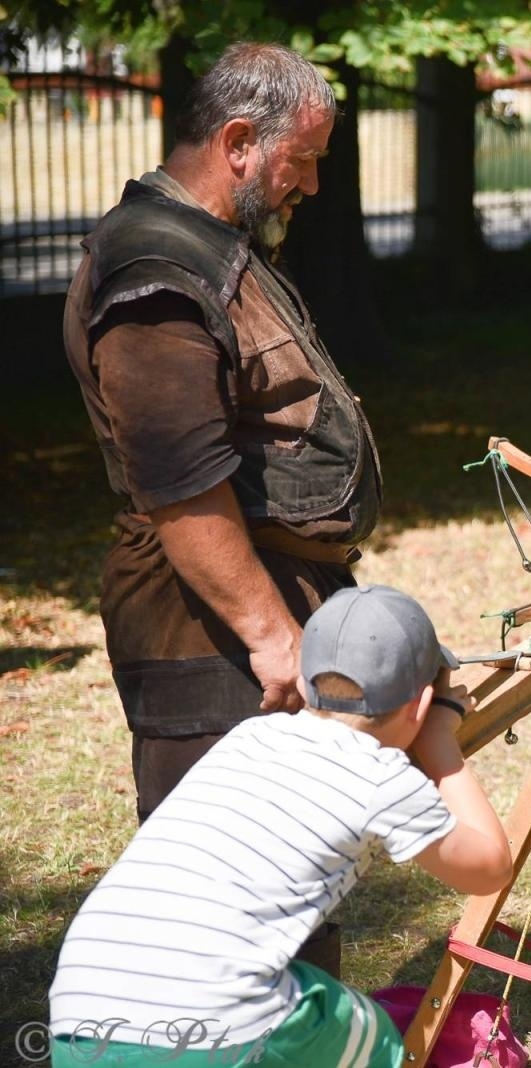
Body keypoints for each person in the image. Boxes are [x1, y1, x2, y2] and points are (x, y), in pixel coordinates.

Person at [62, 41, 382, 846]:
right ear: (238, 142)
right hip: (201, 629)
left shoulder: (211, 241)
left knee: (298, 869)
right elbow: (178, 482)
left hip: (260, 604)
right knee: (226, 877)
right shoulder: (157, 268)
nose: (312, 183)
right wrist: (273, 637)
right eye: (301, 160)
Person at [48, 585, 513, 1067]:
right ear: (420, 703)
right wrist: (439, 739)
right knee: (367, 1032)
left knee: (305, 994)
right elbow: (490, 868)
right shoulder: (380, 778)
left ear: (308, 685)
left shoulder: (250, 735)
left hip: (80, 1016)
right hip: (212, 1022)